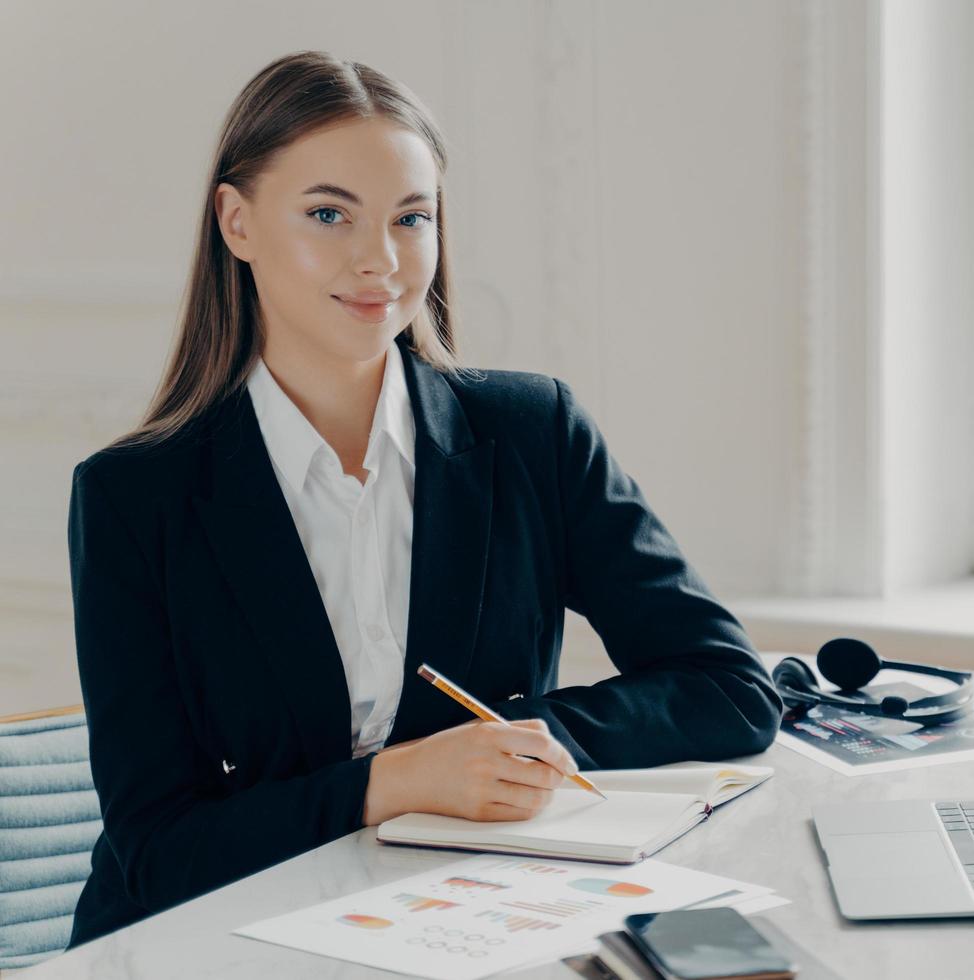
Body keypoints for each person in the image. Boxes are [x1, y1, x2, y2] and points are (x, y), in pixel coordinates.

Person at [65, 50, 782, 949]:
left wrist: (524, 740)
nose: (379, 261)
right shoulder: (135, 496)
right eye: (329, 214)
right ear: (236, 222)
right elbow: (157, 850)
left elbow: (732, 690)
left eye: (412, 217)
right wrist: (394, 782)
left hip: (455, 915)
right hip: (207, 939)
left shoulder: (532, 431)